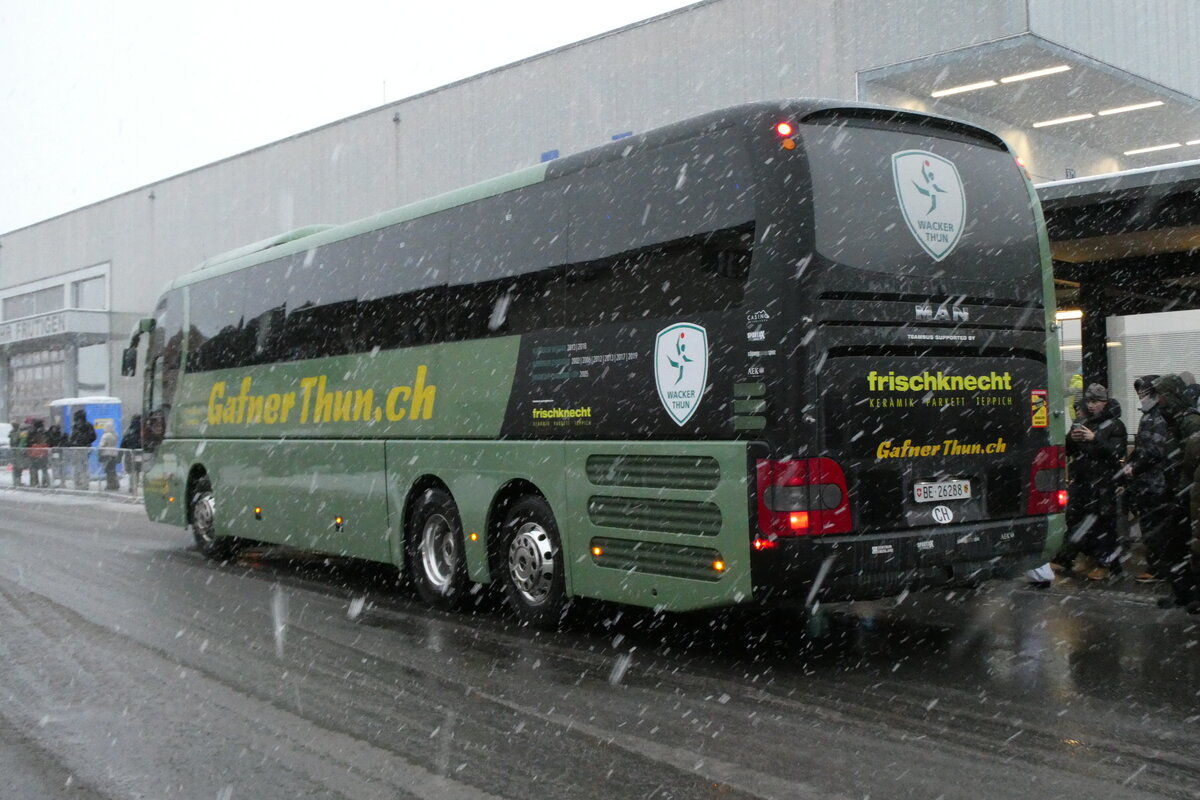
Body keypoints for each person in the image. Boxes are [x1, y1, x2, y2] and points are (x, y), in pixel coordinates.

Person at [1051, 383, 1126, 580]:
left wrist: (1095, 438)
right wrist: (1072, 438)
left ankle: (1107, 564)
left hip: (1103, 483)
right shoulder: (1086, 422)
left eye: (1095, 401)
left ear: (1105, 402)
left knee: (1104, 524)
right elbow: (1070, 450)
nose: (1091, 405)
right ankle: (1087, 557)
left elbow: (1116, 452)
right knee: (1077, 519)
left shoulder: (1115, 425)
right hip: (1082, 481)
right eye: (1089, 401)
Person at [1153, 374, 1200, 612]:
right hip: (1177, 492)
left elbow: (1192, 460)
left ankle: (1192, 593)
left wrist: (1183, 490)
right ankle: (1182, 592)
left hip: (1188, 495)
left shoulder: (1190, 421)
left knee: (1186, 545)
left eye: (1161, 394)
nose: (1157, 399)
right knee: (1174, 545)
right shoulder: (1173, 419)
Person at [1121, 376, 1174, 583]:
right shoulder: (1148, 416)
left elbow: (1154, 451)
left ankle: (1159, 568)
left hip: (1155, 483)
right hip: (1146, 482)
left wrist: (1134, 468)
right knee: (1150, 525)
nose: (1139, 396)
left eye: (1143, 391)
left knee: (1155, 527)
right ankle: (1158, 565)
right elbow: (1143, 449)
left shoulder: (1157, 417)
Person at [68, 409, 96, 489]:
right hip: (83, 448)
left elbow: (72, 438)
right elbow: (93, 437)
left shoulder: (75, 427)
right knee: (83, 467)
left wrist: (74, 443)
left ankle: (79, 483)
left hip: (79, 449)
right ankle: (83, 483)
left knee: (79, 467)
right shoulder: (88, 426)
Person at [120, 415, 142, 494]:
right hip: (139, 453)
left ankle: (132, 486)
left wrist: (121, 453)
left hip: (129, 453)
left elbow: (123, 443)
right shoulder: (142, 431)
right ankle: (136, 484)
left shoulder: (129, 431)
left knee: (131, 471)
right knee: (137, 470)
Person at [27, 418, 51, 488]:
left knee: (34, 469)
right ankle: (45, 483)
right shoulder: (45, 432)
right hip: (43, 453)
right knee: (44, 469)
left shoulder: (32, 432)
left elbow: (28, 442)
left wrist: (30, 449)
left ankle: (35, 483)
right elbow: (49, 441)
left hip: (34, 453)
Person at [98, 423, 119, 490]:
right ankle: (115, 484)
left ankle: (110, 485)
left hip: (106, 454)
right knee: (112, 470)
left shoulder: (106, 436)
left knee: (108, 471)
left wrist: (99, 452)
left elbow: (102, 445)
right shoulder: (115, 435)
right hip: (114, 454)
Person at [9, 418, 28, 487]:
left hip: (15, 452)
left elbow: (12, 443)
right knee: (18, 468)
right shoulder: (19, 432)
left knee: (16, 468)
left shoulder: (12, 432)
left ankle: (16, 482)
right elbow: (21, 442)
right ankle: (17, 482)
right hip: (18, 452)